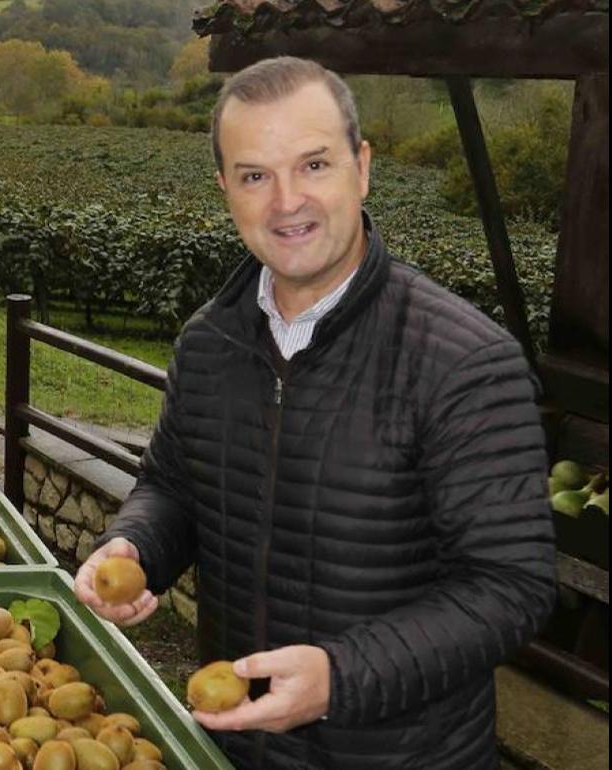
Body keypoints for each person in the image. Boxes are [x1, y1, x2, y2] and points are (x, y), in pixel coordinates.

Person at [73, 56, 556, 770]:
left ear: (362, 169)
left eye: (315, 165)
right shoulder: (209, 342)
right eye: (255, 176)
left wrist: (341, 677)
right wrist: (135, 546)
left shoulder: (463, 361)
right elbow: (172, 485)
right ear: (226, 190)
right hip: (237, 747)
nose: (287, 202)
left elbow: (511, 587)